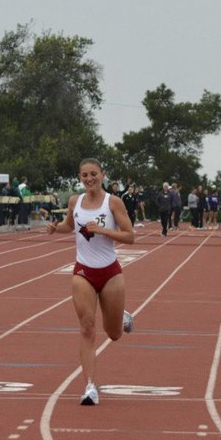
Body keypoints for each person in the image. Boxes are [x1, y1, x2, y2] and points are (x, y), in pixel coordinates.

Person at [46, 158, 135, 406]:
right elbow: (69, 226)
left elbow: (130, 236)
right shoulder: (75, 201)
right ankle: (90, 387)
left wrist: (104, 230)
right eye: (84, 175)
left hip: (111, 273)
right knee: (87, 327)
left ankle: (122, 317)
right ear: (80, 177)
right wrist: (57, 229)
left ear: (102, 174)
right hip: (83, 271)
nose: (89, 179)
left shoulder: (113, 202)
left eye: (93, 174)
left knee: (114, 333)